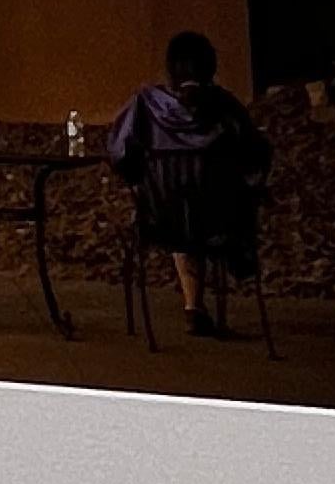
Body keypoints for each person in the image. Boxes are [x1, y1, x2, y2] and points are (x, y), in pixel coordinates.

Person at [105, 29, 270, 335]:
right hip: (219, 218)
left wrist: (141, 180)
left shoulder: (145, 104)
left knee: (182, 211)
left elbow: (119, 151)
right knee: (202, 210)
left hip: (161, 216)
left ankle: (194, 305)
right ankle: (229, 269)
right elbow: (255, 153)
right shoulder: (224, 106)